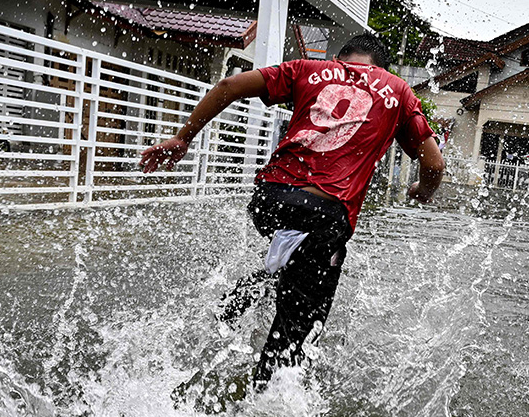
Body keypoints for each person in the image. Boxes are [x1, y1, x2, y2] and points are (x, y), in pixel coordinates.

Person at [140, 34, 444, 387]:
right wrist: (423, 190)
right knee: (296, 338)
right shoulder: (398, 92)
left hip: (270, 199)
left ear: (340, 59)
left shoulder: (308, 70)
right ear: (381, 66)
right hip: (325, 214)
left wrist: (183, 138)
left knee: (295, 260)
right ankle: (262, 396)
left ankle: (235, 306)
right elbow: (434, 164)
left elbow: (229, 84)